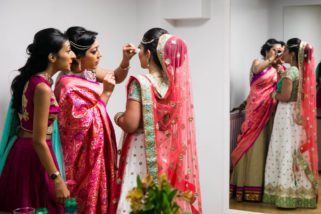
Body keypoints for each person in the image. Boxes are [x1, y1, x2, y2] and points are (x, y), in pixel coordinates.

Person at [115, 28, 202, 214]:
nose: (139, 54)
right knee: (164, 199)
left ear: (148, 53)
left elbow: (131, 123)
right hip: (168, 151)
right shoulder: (175, 84)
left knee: (137, 199)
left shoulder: (140, 82)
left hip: (141, 151)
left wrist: (117, 117)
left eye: (140, 49)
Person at [54, 26, 136, 214]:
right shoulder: (67, 84)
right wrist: (106, 92)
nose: (100, 54)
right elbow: (84, 122)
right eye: (94, 51)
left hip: (95, 147)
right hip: (81, 154)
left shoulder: (87, 70)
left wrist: (125, 61)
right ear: (78, 56)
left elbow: (114, 76)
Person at [0, 28, 75, 213]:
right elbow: (39, 140)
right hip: (35, 154)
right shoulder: (42, 88)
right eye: (67, 50)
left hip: (23, 151)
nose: (72, 55)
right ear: (52, 57)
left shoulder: (33, 80)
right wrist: (57, 179)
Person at [263, 38, 318, 208]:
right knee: (294, 150)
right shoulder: (299, 71)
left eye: (285, 50)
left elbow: (285, 96)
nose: (283, 53)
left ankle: (285, 194)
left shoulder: (290, 73)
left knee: (285, 150)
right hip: (296, 115)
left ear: (293, 54)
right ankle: (301, 192)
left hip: (286, 114)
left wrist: (273, 95)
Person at [230, 39, 284, 202]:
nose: (278, 54)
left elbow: (281, 88)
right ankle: (242, 186)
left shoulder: (278, 69)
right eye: (276, 50)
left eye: (281, 51)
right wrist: (271, 61)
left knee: (265, 146)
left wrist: (280, 70)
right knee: (250, 144)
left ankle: (262, 188)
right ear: (267, 50)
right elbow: (257, 69)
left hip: (269, 111)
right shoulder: (258, 62)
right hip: (255, 111)